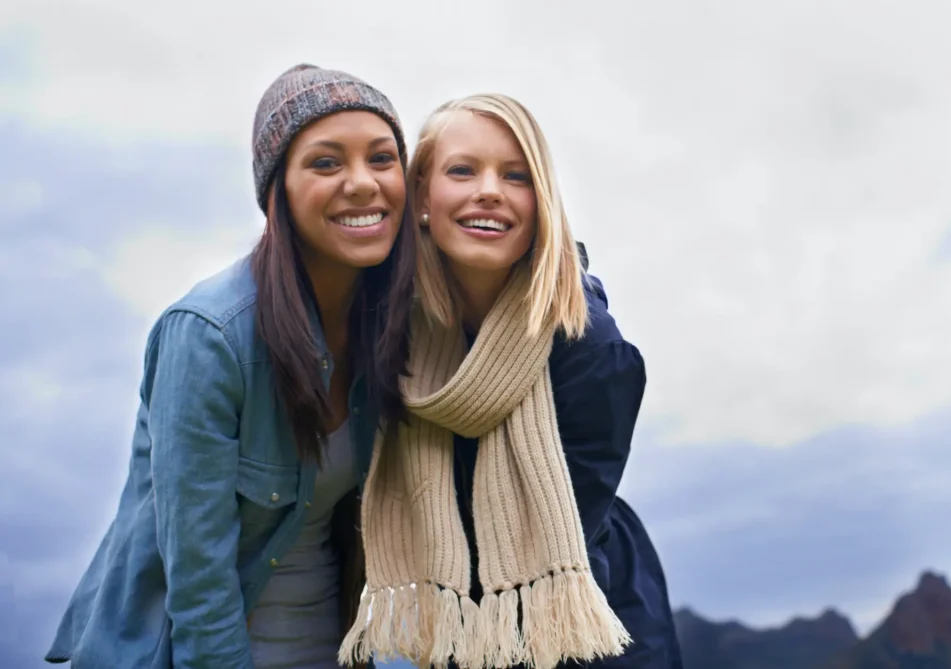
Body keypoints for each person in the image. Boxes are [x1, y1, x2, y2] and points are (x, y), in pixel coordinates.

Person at [44, 64, 416, 669]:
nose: (362, 183)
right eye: (325, 163)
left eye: (382, 159)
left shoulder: (394, 323)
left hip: (331, 646)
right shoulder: (208, 335)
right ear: (278, 191)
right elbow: (199, 588)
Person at [338, 94, 683, 669]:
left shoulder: (589, 344)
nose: (490, 190)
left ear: (540, 202)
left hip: (576, 620)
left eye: (515, 175)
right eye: (462, 170)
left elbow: (569, 523)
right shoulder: (390, 329)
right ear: (422, 197)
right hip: (451, 626)